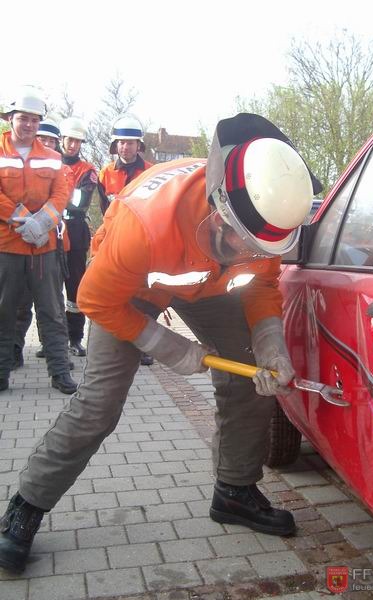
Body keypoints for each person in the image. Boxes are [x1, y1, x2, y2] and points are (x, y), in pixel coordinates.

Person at [0, 113, 322, 573]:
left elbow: (262, 287)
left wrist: (270, 342)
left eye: (262, 247)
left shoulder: (267, 219)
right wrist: (165, 345)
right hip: (128, 289)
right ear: (217, 209)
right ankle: (26, 506)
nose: (254, 252)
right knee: (99, 405)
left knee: (252, 374)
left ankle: (235, 491)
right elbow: (94, 298)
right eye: (243, 241)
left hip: (207, 284)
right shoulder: (144, 223)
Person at [0, 86, 77, 395]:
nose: (29, 125)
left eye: (35, 120)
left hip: (43, 248)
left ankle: (60, 373)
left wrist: (43, 220)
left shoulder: (53, 157)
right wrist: (19, 215)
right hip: (7, 245)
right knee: (4, 312)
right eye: (23, 119)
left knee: (52, 311)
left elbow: (61, 193)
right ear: (9, 118)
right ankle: (2, 372)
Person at [13, 118, 72, 369]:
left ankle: (56, 355)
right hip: (15, 241)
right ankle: (14, 350)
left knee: (53, 306)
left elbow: (64, 198)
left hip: (52, 244)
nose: (47, 143)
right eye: (44, 138)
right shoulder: (17, 161)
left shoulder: (62, 167)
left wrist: (39, 224)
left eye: (51, 140)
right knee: (19, 304)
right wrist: (26, 221)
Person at [98, 113, 154, 366]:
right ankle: (120, 343)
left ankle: (144, 347)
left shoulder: (152, 172)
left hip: (143, 244)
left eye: (130, 142)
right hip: (115, 241)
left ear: (138, 146)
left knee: (144, 295)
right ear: (115, 145)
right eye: (121, 142)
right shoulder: (105, 174)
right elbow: (103, 211)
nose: (125, 147)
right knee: (117, 292)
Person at [59, 117, 97, 357]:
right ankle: (50, 340)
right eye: (69, 139)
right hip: (48, 230)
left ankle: (75, 338)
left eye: (77, 141)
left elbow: (80, 202)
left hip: (75, 231)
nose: (73, 145)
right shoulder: (47, 162)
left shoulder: (88, 170)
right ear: (62, 139)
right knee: (48, 291)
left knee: (75, 289)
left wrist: (53, 194)